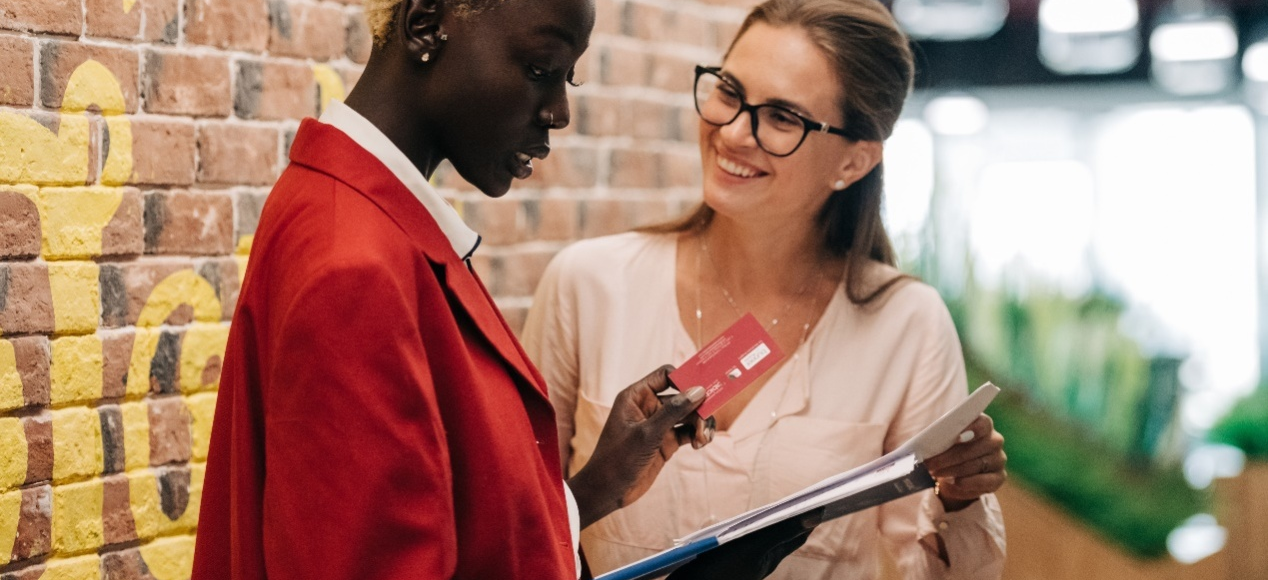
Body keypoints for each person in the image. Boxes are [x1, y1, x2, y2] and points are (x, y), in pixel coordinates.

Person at [190, 0, 815, 578]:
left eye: (565, 78)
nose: (559, 113)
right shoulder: (355, 265)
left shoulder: (351, 213)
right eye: (540, 68)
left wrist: (593, 490)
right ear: (426, 25)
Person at [522, 0, 1008, 577]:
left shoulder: (907, 324)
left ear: (854, 161)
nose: (732, 131)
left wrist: (958, 497)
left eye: (782, 117)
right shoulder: (591, 285)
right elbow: (516, 526)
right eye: (729, 90)